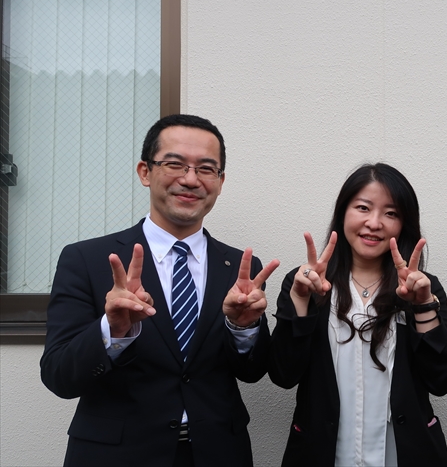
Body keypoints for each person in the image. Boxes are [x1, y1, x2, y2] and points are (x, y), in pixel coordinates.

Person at [40, 114, 279, 467]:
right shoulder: (87, 260)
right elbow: (59, 376)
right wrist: (113, 331)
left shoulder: (241, 267)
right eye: (175, 164)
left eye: (206, 169)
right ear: (145, 172)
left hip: (218, 453)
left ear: (220, 181)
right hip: (116, 456)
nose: (190, 179)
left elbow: (252, 371)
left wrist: (242, 328)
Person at [269, 163, 447, 466]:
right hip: (322, 453)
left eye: (391, 213)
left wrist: (423, 306)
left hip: (403, 454)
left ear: (404, 224)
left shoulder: (423, 288)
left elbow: (443, 380)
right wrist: (300, 299)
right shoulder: (306, 284)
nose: (374, 223)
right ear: (343, 213)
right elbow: (283, 374)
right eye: (363, 208)